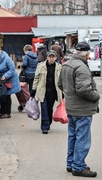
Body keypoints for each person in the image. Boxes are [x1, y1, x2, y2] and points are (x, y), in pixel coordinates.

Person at [58, 41, 99, 177]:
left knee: (73, 136)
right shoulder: (81, 67)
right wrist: (96, 96)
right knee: (82, 138)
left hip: (71, 107)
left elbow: (60, 84)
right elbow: (83, 89)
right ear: (87, 54)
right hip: (82, 109)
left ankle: (71, 163)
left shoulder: (67, 64)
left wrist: (70, 95)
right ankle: (79, 166)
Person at [31, 50, 62, 134]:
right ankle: (44, 127)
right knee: (44, 108)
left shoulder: (59, 67)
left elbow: (61, 80)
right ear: (47, 57)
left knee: (49, 108)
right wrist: (33, 89)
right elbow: (36, 78)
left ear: (56, 58)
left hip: (53, 91)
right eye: (49, 57)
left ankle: (48, 122)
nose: (51, 58)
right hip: (43, 91)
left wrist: (63, 91)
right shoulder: (41, 66)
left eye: (53, 57)